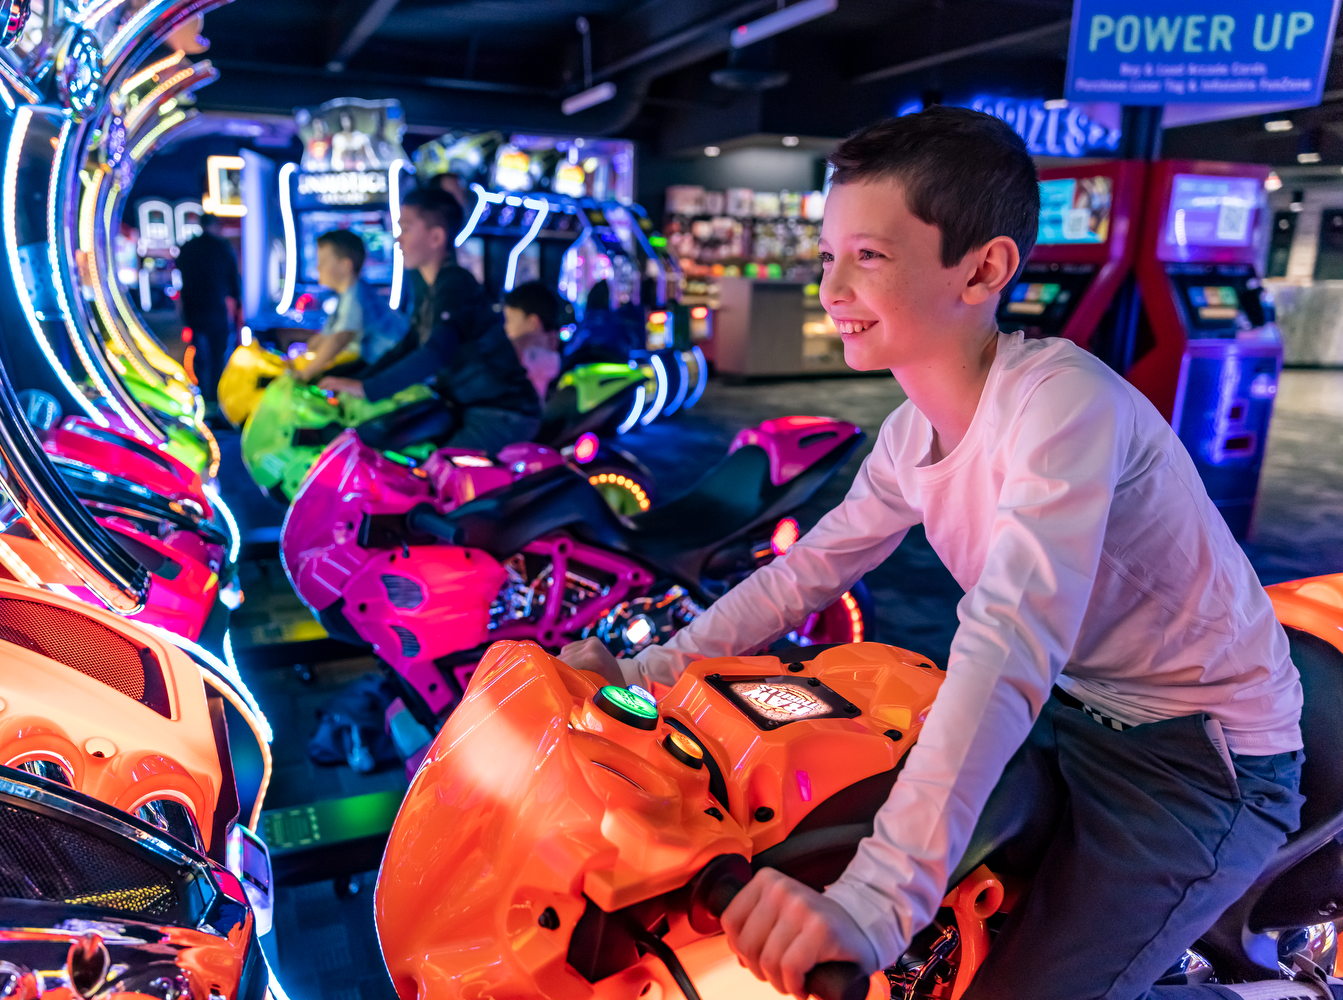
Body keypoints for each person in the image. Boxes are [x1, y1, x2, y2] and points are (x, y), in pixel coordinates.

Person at [561, 106, 1306, 1000]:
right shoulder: (914, 431)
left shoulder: (1063, 404)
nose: (831, 287)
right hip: (1075, 707)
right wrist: (645, 673)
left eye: (868, 257)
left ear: (984, 267)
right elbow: (807, 573)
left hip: (1203, 757)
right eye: (830, 255)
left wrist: (878, 902)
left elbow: (1008, 639)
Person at [320, 188, 541, 453]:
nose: (398, 239)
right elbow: (409, 345)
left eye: (407, 228)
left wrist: (367, 387)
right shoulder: (432, 291)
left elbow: (436, 352)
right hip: (469, 407)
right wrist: (357, 382)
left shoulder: (455, 284)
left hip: (501, 412)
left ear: (436, 237)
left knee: (435, 477)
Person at [293, 229, 405, 383]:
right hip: (380, 363)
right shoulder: (348, 294)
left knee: (325, 382)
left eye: (322, 262)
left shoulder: (355, 295)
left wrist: (306, 373)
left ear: (345, 265)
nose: (318, 268)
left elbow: (340, 338)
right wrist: (303, 355)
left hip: (391, 368)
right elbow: (327, 336)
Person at [174, 213, 241, 405]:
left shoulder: (188, 247)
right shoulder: (221, 247)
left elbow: (180, 275)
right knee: (218, 353)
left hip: (193, 308)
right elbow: (233, 281)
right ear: (216, 226)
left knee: (198, 352)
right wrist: (237, 302)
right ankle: (216, 394)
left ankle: (201, 392)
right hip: (214, 308)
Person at [502, 280, 564, 400]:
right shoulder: (566, 359)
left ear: (532, 323)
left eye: (509, 320)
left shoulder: (526, 365)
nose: (506, 328)